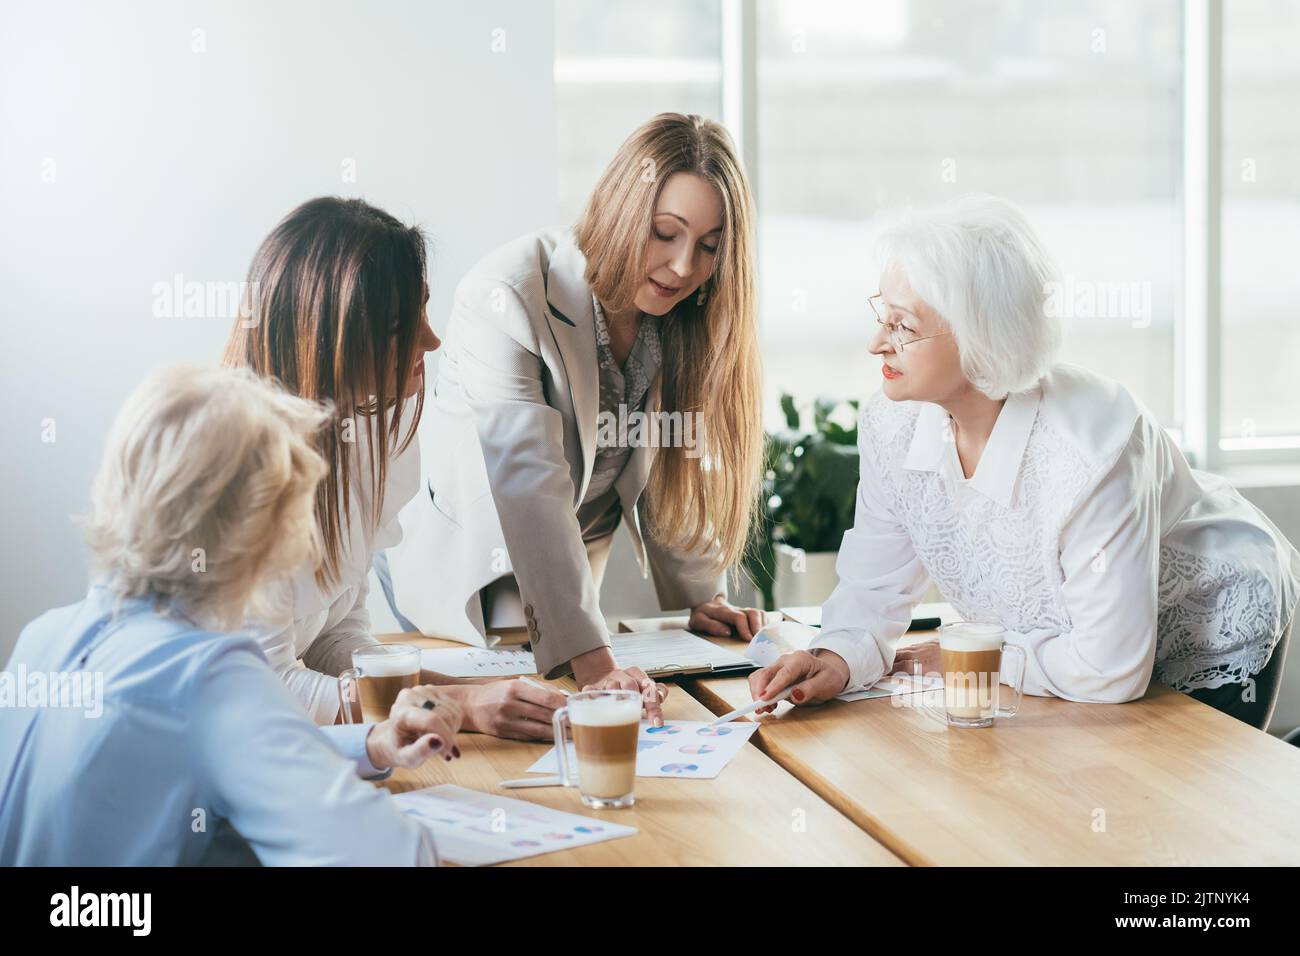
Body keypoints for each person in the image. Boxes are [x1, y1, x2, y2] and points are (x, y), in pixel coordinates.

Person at [749, 195, 1300, 730]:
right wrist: (837, 656)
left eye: (903, 326)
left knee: (1176, 812)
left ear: (981, 336)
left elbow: (1110, 669)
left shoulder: (1090, 447)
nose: (876, 343)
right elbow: (873, 588)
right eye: (882, 316)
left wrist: (977, 657)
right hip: (1078, 649)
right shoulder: (893, 425)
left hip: (1207, 621)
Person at [382, 114, 768, 724]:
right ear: (622, 209)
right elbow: (526, 485)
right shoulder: (506, 295)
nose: (683, 267)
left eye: (710, 246)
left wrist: (699, 598)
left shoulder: (684, 316)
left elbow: (676, 462)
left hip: (566, 592)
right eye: (665, 233)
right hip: (477, 572)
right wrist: (595, 665)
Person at [0, 364, 461, 865]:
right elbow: (392, 855)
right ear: (268, 525)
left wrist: (369, 745)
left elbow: (223, 750)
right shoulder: (207, 673)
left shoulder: (43, 638)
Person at [225, 197, 568, 739]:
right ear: (332, 336)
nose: (431, 340)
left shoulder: (359, 437)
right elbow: (262, 689)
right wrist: (459, 706)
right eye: (400, 324)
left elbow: (335, 638)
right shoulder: (242, 479)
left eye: (425, 309)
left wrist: (463, 695)